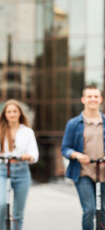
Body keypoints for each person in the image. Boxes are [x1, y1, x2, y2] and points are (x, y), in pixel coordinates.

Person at [0, 99, 39, 230]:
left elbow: (34, 155)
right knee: (2, 204)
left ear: (20, 113)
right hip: (4, 170)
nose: (12, 114)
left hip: (22, 172)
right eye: (9, 111)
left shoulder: (27, 132)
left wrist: (28, 156)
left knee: (18, 212)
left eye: (15, 111)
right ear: (4, 114)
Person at [61, 85, 105, 230]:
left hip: (103, 173)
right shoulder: (74, 124)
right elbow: (65, 148)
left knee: (103, 212)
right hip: (83, 172)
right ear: (83, 100)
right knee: (90, 209)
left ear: (100, 99)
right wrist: (77, 155)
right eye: (89, 96)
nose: (92, 99)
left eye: (95, 96)